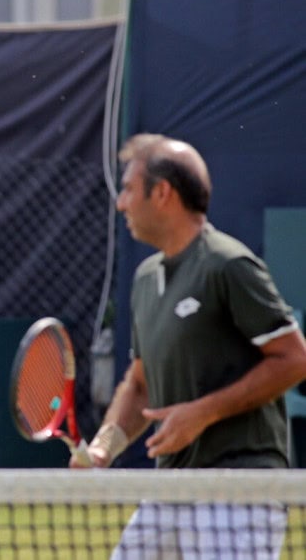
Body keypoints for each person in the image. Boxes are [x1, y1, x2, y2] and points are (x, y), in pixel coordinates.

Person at [71, 133, 306, 558]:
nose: (120, 202)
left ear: (161, 193)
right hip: (172, 486)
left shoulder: (228, 265)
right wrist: (106, 442)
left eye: (127, 188)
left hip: (240, 487)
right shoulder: (144, 280)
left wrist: (202, 413)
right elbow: (140, 383)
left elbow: (294, 359)